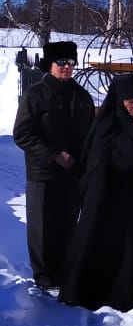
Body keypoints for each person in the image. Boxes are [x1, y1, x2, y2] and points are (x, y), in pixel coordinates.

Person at [60, 73, 133, 311]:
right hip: (109, 200)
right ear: (119, 100)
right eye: (129, 101)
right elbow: (114, 159)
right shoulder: (107, 125)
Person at [13, 41, 95, 292]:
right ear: (50, 64)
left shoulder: (81, 96)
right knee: (42, 227)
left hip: (73, 174)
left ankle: (66, 272)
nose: (67, 67)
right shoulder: (35, 95)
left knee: (68, 224)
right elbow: (23, 134)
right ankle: (45, 277)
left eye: (71, 63)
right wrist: (54, 155)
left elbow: (92, 134)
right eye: (61, 62)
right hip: (44, 172)